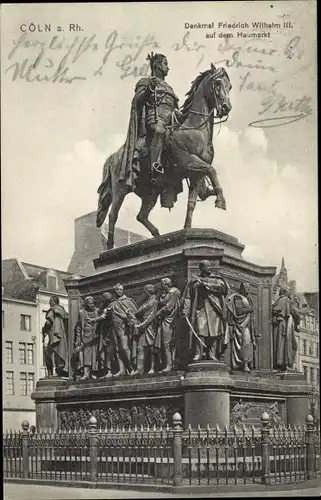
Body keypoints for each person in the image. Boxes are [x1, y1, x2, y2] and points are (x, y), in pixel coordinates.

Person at [120, 52, 182, 184]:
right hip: (155, 117)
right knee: (159, 131)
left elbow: (174, 105)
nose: (168, 68)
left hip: (171, 119)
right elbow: (138, 100)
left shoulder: (169, 88)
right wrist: (149, 89)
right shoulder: (145, 82)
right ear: (157, 65)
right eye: (165, 64)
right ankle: (155, 166)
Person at [182, 260, 229, 362]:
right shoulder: (194, 281)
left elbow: (223, 289)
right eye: (207, 266)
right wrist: (186, 310)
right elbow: (188, 297)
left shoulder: (217, 279)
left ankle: (212, 354)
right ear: (201, 268)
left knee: (215, 332)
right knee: (200, 331)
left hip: (214, 309)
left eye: (210, 265)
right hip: (200, 309)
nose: (209, 268)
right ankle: (198, 353)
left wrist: (205, 285)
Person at [226, 282, 258, 373]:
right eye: (247, 287)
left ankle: (247, 363)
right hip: (241, 325)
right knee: (244, 343)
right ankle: (243, 363)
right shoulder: (238, 297)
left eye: (249, 287)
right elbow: (239, 311)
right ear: (242, 288)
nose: (249, 289)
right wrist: (249, 309)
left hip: (248, 325)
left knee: (248, 343)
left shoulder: (249, 299)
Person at [109, 283, 138, 376]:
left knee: (125, 347)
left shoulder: (128, 301)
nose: (119, 291)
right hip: (114, 327)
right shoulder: (112, 303)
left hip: (124, 328)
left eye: (121, 289)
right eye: (117, 290)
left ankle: (131, 368)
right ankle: (122, 370)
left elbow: (134, 315)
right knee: (117, 349)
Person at [154, 278, 181, 373]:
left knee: (167, 343)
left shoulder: (173, 293)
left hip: (170, 321)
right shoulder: (169, 293)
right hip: (166, 320)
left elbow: (168, 308)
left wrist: (158, 313)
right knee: (167, 343)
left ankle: (170, 365)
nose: (162, 287)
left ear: (166, 285)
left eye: (162, 285)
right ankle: (169, 364)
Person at [272, 287, 300, 371]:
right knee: (292, 345)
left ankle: (279, 364)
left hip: (277, 325)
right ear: (286, 293)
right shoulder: (287, 300)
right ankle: (288, 363)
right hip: (285, 324)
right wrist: (297, 324)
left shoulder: (277, 301)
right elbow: (296, 313)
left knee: (278, 344)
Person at [134, 284, 158, 374]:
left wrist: (142, 325)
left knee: (152, 348)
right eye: (147, 289)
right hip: (144, 327)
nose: (147, 291)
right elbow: (137, 312)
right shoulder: (146, 302)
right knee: (140, 347)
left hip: (151, 326)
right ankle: (140, 369)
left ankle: (152, 368)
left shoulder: (154, 301)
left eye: (149, 289)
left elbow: (152, 315)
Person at [74, 296, 99, 380]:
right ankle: (86, 373)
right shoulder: (82, 312)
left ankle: (93, 372)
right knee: (86, 355)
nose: (91, 305)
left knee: (94, 355)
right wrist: (78, 339)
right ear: (86, 304)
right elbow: (78, 327)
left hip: (96, 336)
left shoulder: (97, 311)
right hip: (86, 336)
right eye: (89, 303)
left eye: (92, 303)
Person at [42, 295, 68, 377]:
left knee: (47, 352)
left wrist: (44, 330)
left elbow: (48, 322)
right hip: (61, 334)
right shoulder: (63, 310)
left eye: (51, 300)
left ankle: (50, 373)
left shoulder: (53, 309)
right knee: (58, 352)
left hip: (54, 334)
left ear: (55, 302)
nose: (49, 302)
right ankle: (59, 371)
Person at [92, 292, 116, 379]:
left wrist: (94, 320)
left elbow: (105, 316)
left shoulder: (112, 305)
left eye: (104, 300)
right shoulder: (105, 307)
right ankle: (105, 371)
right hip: (104, 332)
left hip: (110, 331)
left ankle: (110, 371)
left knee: (109, 352)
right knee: (104, 352)